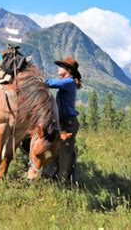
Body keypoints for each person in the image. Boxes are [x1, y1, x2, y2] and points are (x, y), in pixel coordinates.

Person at [42, 56, 82, 184]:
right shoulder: (68, 82)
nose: (59, 68)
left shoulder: (69, 81)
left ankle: (62, 182)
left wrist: (34, 78)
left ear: (68, 70)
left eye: (61, 66)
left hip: (67, 123)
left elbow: (48, 83)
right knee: (57, 149)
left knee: (64, 152)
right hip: (64, 122)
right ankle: (51, 178)